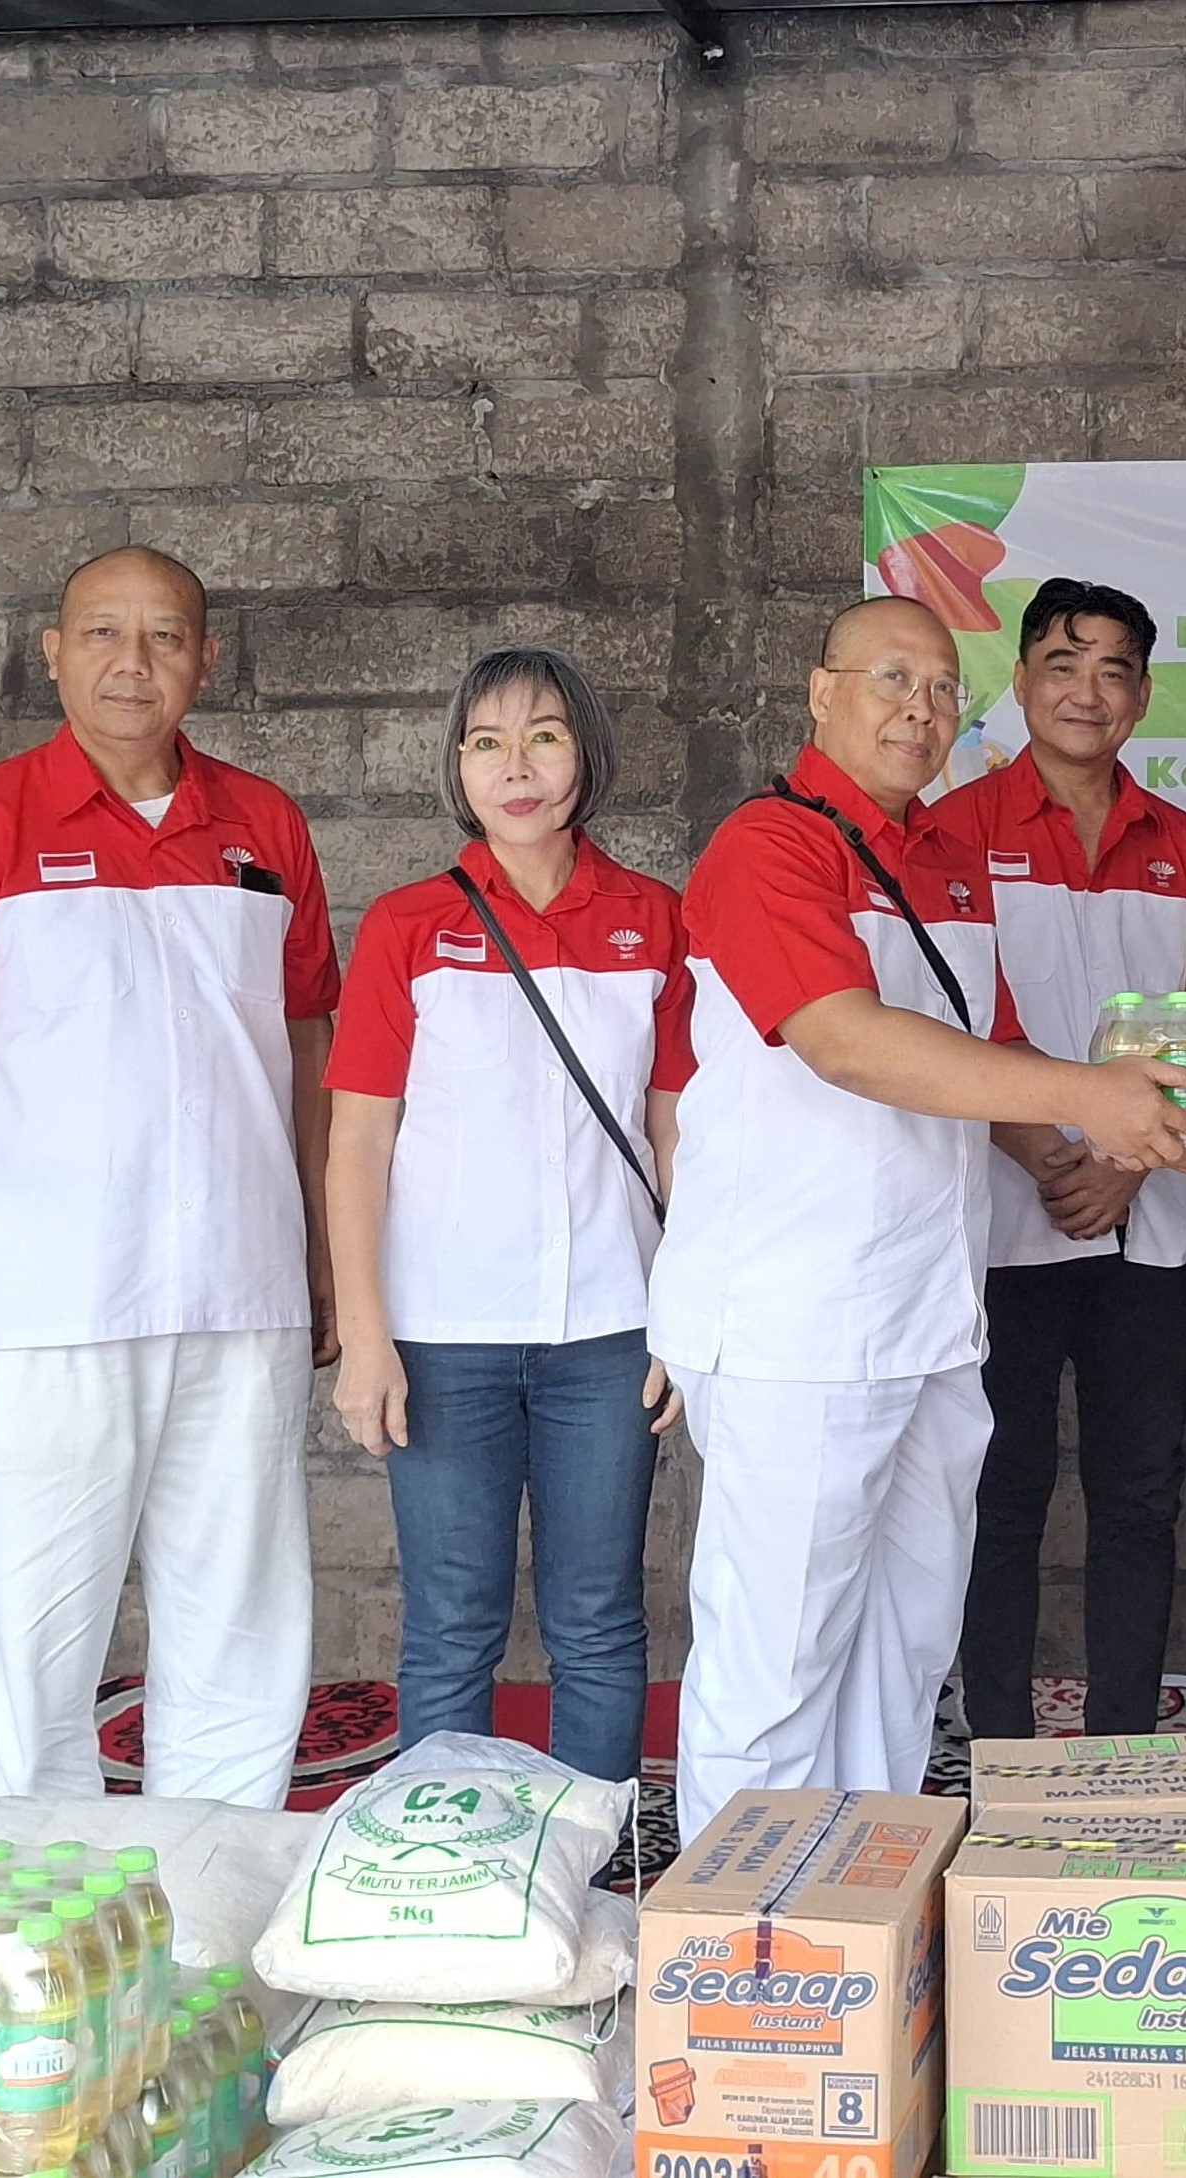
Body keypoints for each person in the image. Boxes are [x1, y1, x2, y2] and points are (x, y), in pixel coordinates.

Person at [645, 595, 1186, 1838]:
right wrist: (1083, 1095)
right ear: (820, 691)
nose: (921, 709)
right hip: (797, 1319)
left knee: (902, 1650)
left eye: (944, 688)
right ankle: (748, 1954)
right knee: (779, 1654)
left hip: (931, 1313)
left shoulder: (943, 857)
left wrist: (1093, 1144)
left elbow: (974, 1051)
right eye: (892, 679)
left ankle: (863, 1910)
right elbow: (845, 1043)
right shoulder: (768, 846)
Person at [0, 546, 336, 1807]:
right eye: (105, 634)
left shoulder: (266, 826)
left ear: (206, 660)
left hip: (244, 1296)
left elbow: (302, 1048)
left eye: (167, 637)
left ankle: (216, 1925)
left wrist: (325, 1257)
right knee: (38, 1643)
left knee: (242, 1630)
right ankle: (51, 1949)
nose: (136, 663)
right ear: (55, 652)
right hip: (48, 1309)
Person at [323, 647, 693, 1783]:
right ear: (457, 768)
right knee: (452, 1622)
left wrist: (686, 1309)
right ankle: (451, 1880)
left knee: (596, 1619)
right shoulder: (408, 926)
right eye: (485, 742)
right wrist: (367, 1332)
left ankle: (587, 1877)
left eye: (542, 736)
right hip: (441, 1336)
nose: (514, 767)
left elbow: (676, 1129)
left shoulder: (654, 920)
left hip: (609, 1331)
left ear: (586, 752)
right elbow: (359, 1139)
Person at [931, 578, 1186, 1741]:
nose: (1088, 690)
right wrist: (1043, 1151)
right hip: (999, 1225)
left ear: (1143, 697)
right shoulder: (954, 834)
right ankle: (1003, 1750)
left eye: (1115, 669)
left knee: (1139, 1500)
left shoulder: (1183, 847)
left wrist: (1128, 1166)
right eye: (1064, 664)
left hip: (1148, 1219)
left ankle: (1122, 1746)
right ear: (1020, 683)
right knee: (1001, 1496)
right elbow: (945, 1025)